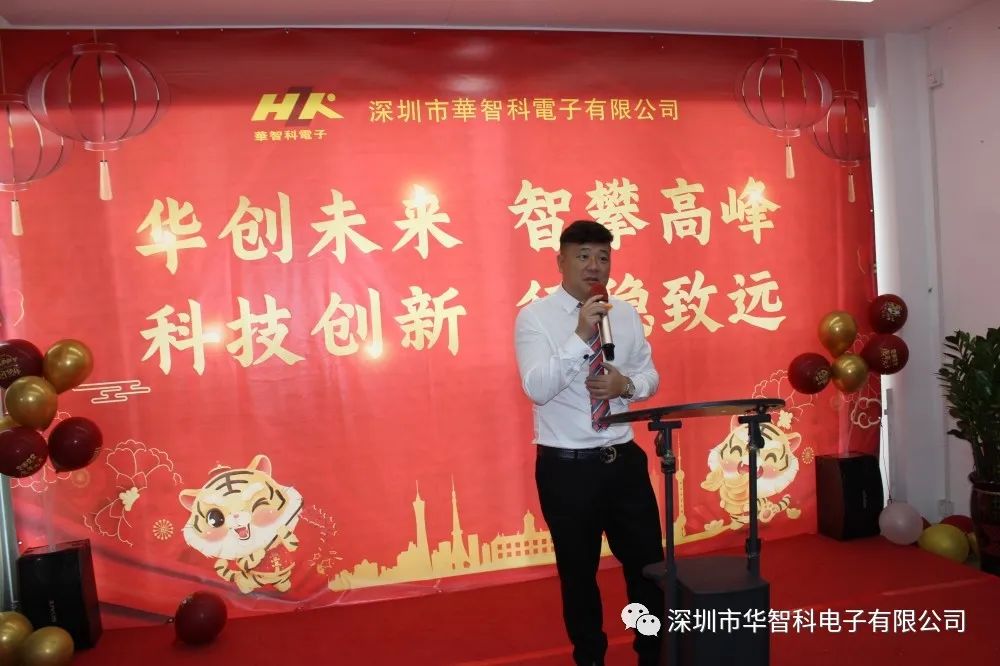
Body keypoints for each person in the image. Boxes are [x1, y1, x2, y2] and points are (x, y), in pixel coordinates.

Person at [514, 219, 664, 666]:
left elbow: (650, 375)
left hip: (624, 462)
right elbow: (537, 388)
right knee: (578, 575)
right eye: (583, 256)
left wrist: (626, 385)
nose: (594, 266)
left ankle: (652, 653)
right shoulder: (535, 318)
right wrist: (581, 335)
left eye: (602, 257)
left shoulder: (626, 314)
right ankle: (591, 658)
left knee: (648, 570)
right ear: (560, 261)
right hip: (567, 468)